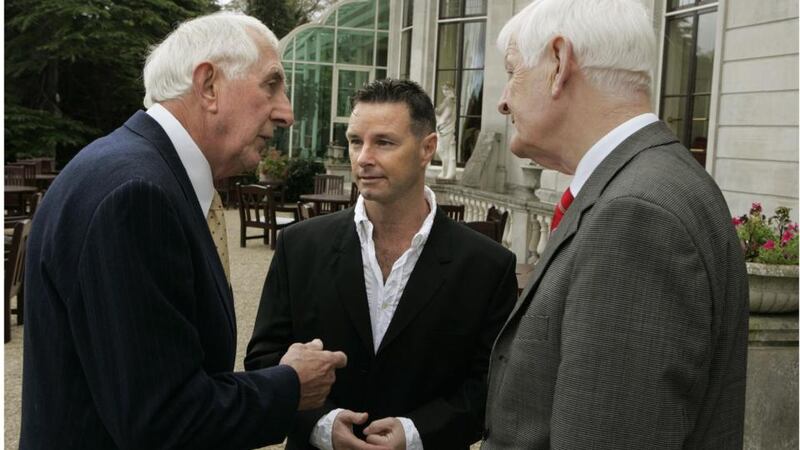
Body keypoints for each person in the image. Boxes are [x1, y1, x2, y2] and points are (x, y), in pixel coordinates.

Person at [20, 12, 347, 450]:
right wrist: (290, 385)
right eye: (271, 84)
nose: (287, 112)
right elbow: (164, 421)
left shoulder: (139, 171)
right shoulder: (136, 195)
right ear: (209, 85)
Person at [483, 0, 749, 448]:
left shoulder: (634, 215)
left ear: (559, 63)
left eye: (512, 71)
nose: (503, 100)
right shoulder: (646, 183)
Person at [245, 79, 518, 450]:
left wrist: (416, 432)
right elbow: (264, 357)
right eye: (356, 141)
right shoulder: (300, 245)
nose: (363, 158)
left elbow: (490, 385)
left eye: (384, 142)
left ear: (427, 149)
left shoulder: (487, 264)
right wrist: (320, 424)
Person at [435, 83, 457, 180]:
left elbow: (447, 114)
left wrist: (441, 123)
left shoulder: (450, 100)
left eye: (447, 89)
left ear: (451, 89)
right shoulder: (448, 100)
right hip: (443, 127)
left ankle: (446, 172)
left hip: (445, 127)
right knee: (444, 150)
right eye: (443, 89)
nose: (445, 91)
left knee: (443, 151)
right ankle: (447, 172)